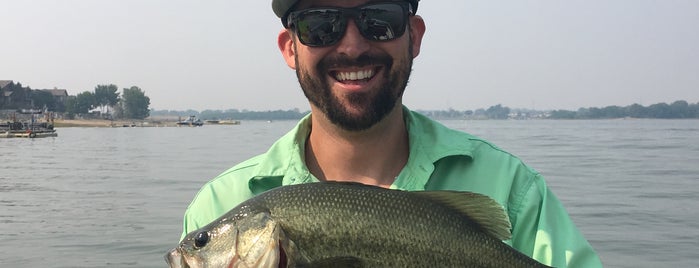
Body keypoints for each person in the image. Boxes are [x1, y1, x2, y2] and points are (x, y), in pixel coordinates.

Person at [179, 0, 602, 267]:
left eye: (378, 19)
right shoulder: (220, 202)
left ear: (413, 36)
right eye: (319, 25)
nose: (350, 46)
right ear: (290, 47)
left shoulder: (514, 190)